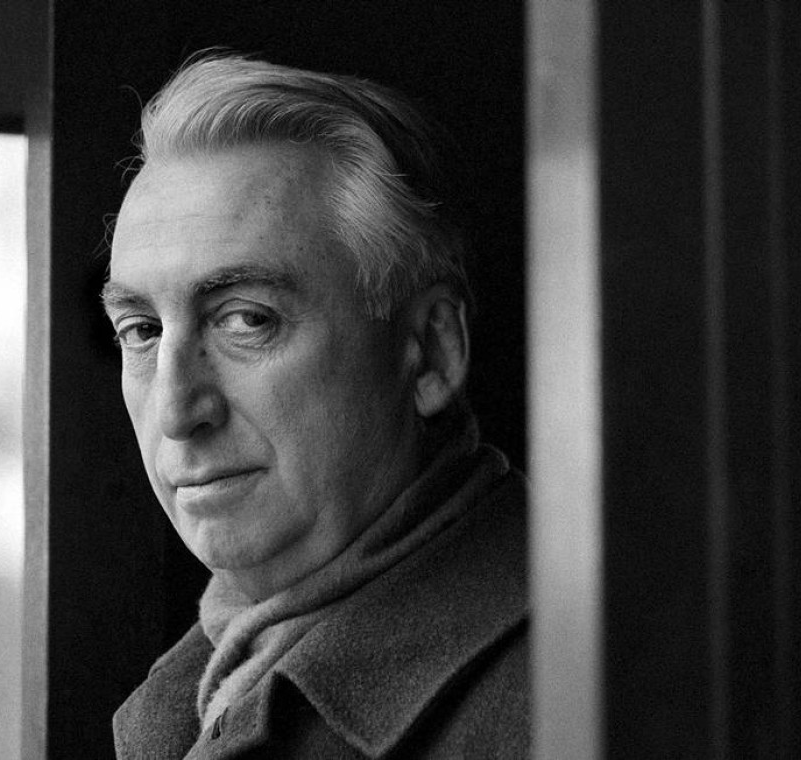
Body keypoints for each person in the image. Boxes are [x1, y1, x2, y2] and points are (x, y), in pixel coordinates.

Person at [101, 52, 528, 759]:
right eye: (142, 330)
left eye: (247, 319)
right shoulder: (188, 698)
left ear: (429, 351)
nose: (176, 411)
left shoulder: (581, 693)